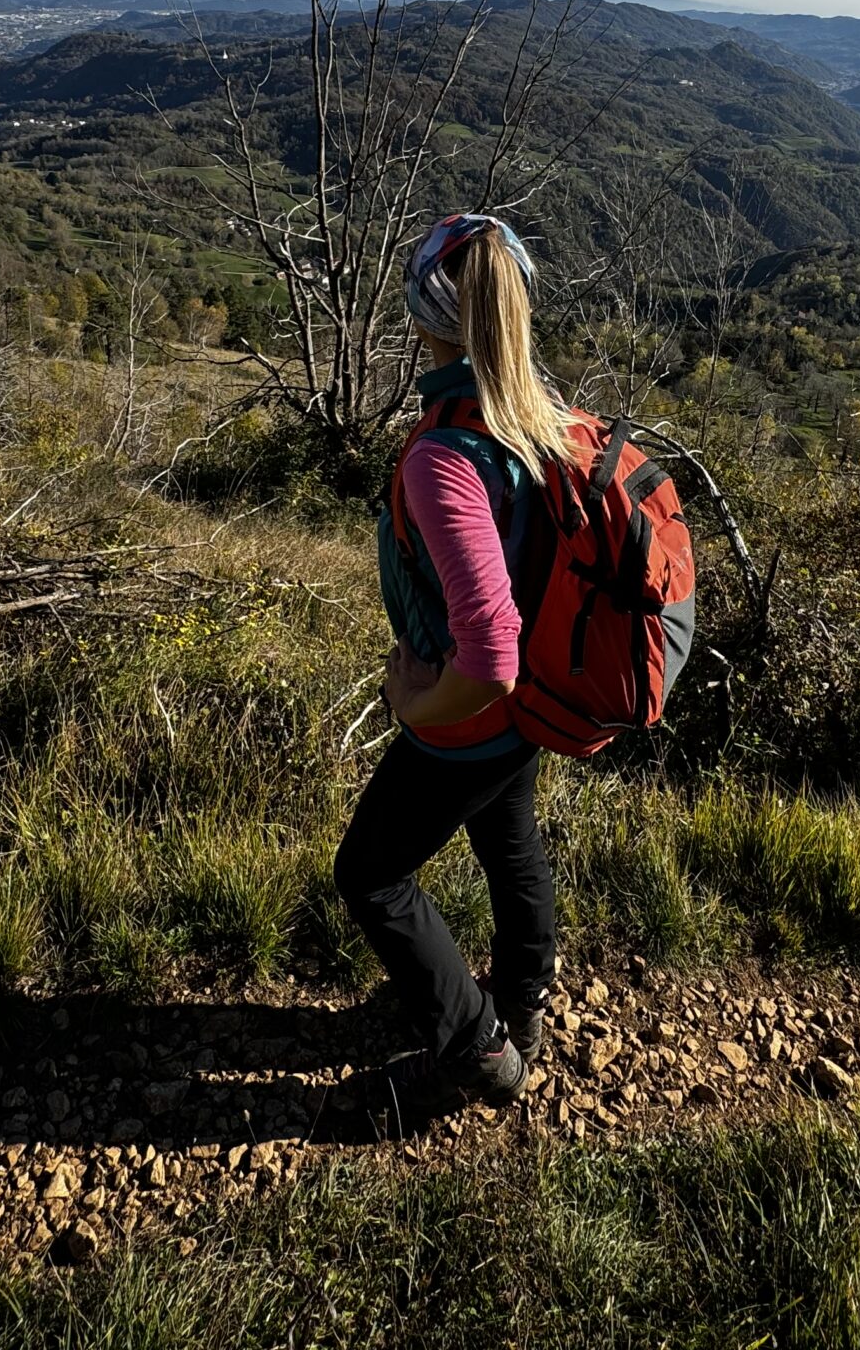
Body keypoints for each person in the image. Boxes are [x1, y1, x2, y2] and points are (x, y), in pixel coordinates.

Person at [333, 211, 576, 1116]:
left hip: (471, 718)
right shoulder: (539, 420)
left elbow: (491, 653)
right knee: (511, 841)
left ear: (424, 314)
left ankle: (478, 1053)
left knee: (370, 876)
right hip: (532, 716)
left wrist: (417, 705)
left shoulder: (446, 455)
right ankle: (520, 1004)